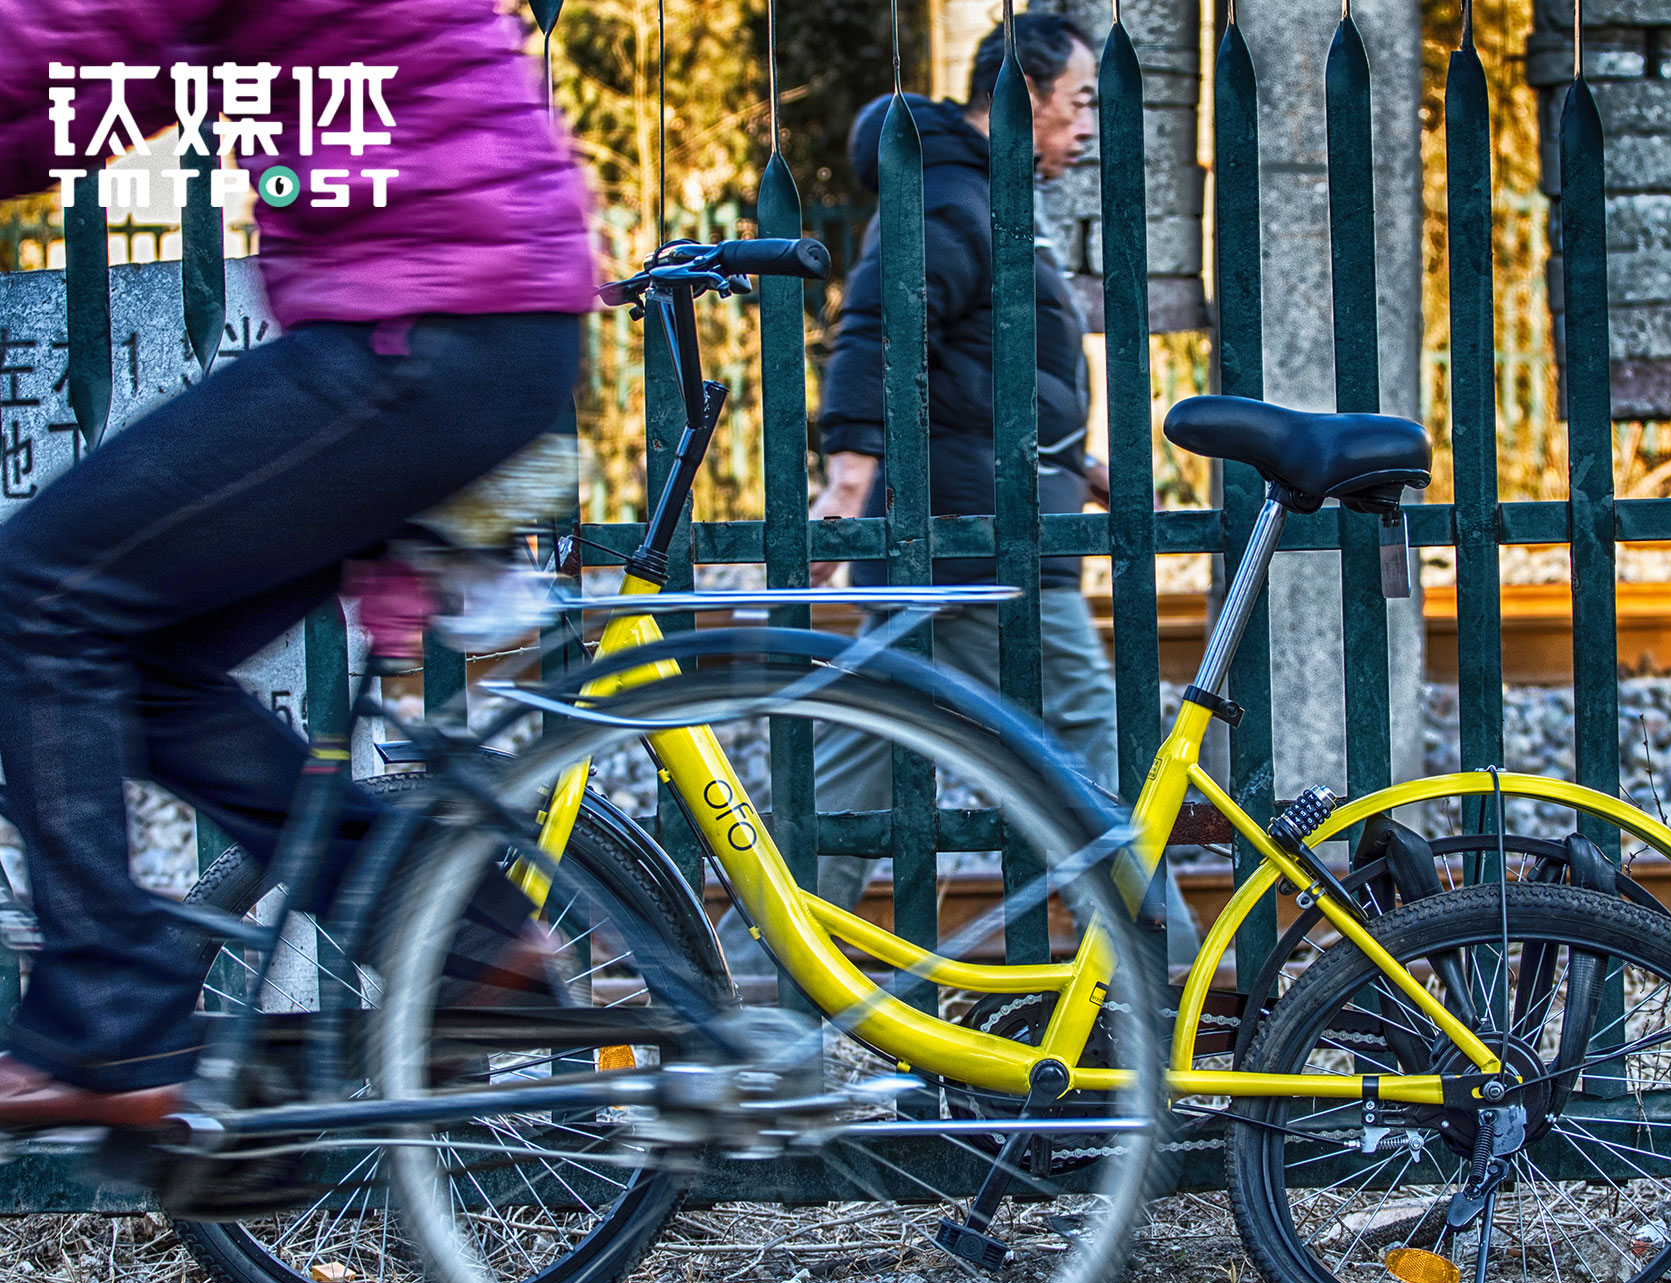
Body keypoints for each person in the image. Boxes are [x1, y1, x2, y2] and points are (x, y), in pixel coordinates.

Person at [0, 0, 592, 1125]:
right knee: (143, 660)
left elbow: (75, 33)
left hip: (427, 318)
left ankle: (105, 1022)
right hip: (471, 315)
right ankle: (452, 927)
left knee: (37, 595)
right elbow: (113, 85)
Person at [718, 13, 1199, 983]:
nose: (1085, 128)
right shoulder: (951, 193)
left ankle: (749, 987)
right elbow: (881, 329)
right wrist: (846, 482)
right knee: (1084, 741)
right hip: (978, 549)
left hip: (956, 530)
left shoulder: (977, 194)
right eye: (1076, 104)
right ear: (1023, 94)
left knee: (856, 764)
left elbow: (976, 374)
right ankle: (1167, 984)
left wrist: (1075, 465)